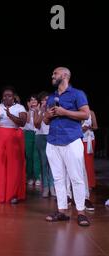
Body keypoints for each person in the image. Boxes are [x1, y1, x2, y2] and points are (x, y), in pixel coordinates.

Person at [44, 67, 91, 227]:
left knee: (76, 178)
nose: (52, 75)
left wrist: (65, 112)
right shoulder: (52, 97)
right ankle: (62, 210)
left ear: (65, 76)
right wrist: (48, 116)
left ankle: (81, 212)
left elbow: (85, 114)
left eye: (55, 73)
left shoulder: (77, 94)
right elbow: (45, 121)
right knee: (58, 178)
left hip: (71, 140)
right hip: (53, 141)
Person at [0, 87, 27, 204]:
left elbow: (22, 122)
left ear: (13, 97)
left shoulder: (20, 107)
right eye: (5, 95)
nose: (7, 97)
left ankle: (13, 194)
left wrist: (9, 115)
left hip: (15, 136)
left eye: (9, 95)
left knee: (14, 166)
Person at [33, 92, 55, 198]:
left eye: (46, 99)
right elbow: (36, 125)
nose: (44, 101)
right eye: (42, 100)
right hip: (40, 136)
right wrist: (41, 112)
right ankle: (45, 187)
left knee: (52, 163)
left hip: (51, 136)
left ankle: (52, 186)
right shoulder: (37, 111)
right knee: (43, 163)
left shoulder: (53, 109)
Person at [23, 94, 41, 186]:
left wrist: (37, 111)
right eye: (31, 100)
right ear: (28, 103)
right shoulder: (25, 112)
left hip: (37, 134)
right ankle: (29, 177)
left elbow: (37, 123)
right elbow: (28, 121)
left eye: (35, 100)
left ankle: (37, 177)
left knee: (36, 156)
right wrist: (30, 110)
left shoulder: (40, 112)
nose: (33, 102)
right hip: (28, 134)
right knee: (29, 156)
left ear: (38, 103)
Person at [82, 109, 98, 189]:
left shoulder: (91, 112)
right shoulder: (76, 112)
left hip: (89, 140)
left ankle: (90, 183)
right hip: (79, 139)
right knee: (80, 162)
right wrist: (81, 128)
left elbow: (95, 127)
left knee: (89, 162)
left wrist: (89, 127)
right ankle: (81, 183)